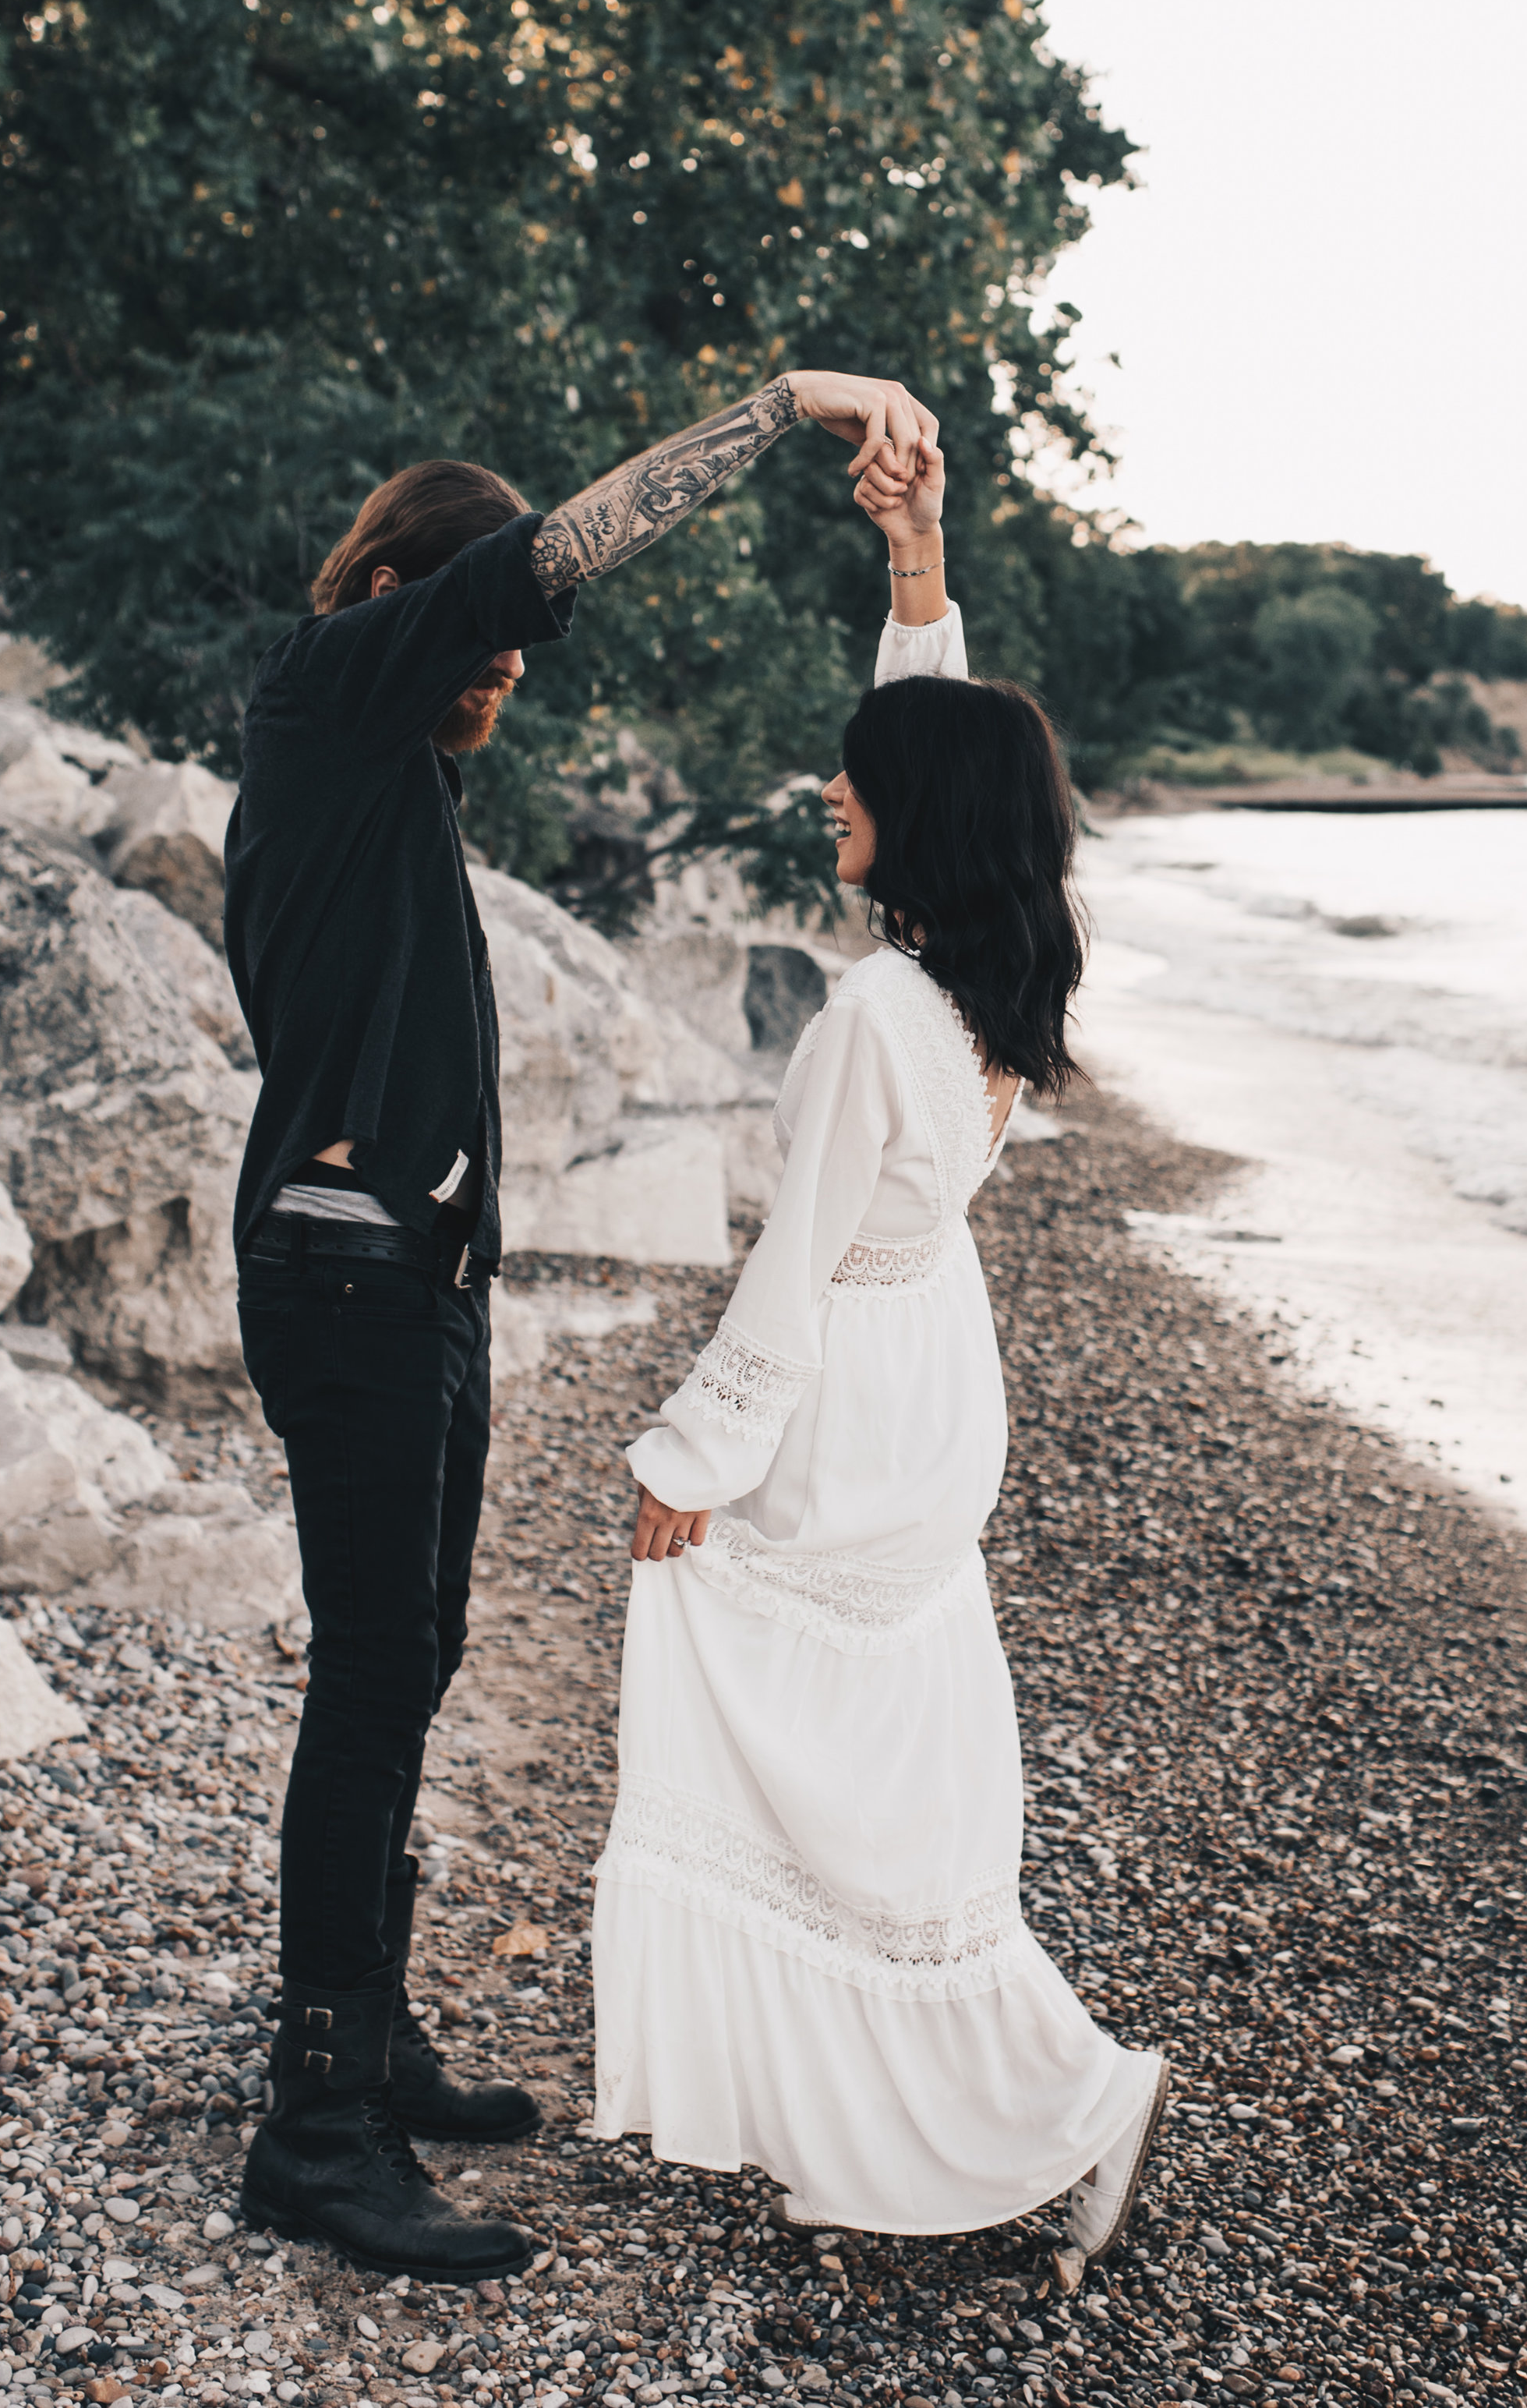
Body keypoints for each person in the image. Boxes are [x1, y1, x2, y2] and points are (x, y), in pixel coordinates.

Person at [221, 368, 938, 2284]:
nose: (507, 667)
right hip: (345, 1271)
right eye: (480, 635)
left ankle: (364, 2044)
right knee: (374, 1683)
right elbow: (559, 552)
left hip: (410, 1273)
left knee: (417, 1656)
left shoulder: (386, 763)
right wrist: (787, 405)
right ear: (390, 593)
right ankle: (313, 2130)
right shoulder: (330, 685)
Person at [590, 436, 1171, 2250]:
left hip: (848, 1395)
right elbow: (939, 741)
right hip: (937, 1392)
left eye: (853, 789)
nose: (827, 793)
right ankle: (925, 2079)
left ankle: (1032, 2088)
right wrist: (914, 564)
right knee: (881, 1745)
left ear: (911, 820)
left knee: (772, 1736)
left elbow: (788, 1268)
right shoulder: (996, 966)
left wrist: (687, 1461)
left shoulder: (866, 1014)